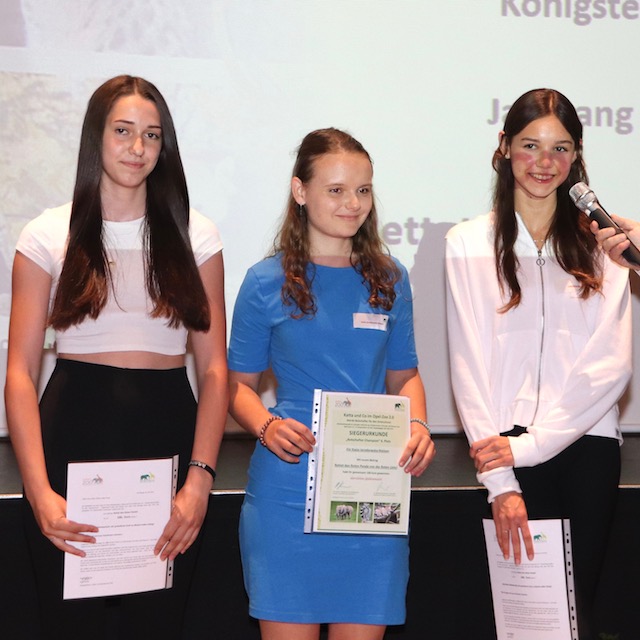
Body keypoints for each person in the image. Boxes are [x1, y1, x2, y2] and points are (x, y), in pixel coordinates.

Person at [5, 75, 228, 638]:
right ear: (96, 137)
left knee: (158, 623)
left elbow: (214, 370)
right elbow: (19, 374)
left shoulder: (196, 234)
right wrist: (38, 491)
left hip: (168, 441)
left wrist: (199, 482)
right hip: (71, 441)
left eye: (151, 135)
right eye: (123, 131)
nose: (137, 148)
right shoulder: (46, 233)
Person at [227, 127, 435, 640]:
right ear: (300, 191)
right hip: (287, 493)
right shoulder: (264, 281)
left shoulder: (391, 277)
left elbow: (405, 376)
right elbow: (235, 387)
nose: (353, 203)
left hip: (371, 495)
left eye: (363, 190)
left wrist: (419, 425)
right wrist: (266, 426)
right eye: (336, 190)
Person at [445, 88, 631, 640]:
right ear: (504, 147)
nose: (544, 162)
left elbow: (611, 365)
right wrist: (502, 480)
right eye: (530, 145)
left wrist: (534, 445)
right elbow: (468, 365)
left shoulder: (606, 246)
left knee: (575, 616)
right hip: (506, 452)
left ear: (577, 157)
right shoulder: (467, 242)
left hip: (588, 448)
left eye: (560, 148)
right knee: (523, 620)